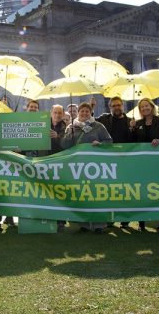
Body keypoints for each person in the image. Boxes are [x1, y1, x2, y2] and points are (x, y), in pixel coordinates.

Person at [61, 102, 112, 233]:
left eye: (87, 111)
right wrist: (69, 133)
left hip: (96, 167)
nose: (84, 113)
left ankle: (99, 225)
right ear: (78, 113)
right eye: (82, 111)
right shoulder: (72, 127)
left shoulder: (98, 126)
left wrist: (100, 143)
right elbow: (64, 145)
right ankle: (83, 223)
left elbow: (109, 141)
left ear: (91, 113)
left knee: (96, 195)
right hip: (78, 167)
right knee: (81, 194)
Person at [95, 96, 133, 229]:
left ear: (122, 106)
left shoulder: (130, 121)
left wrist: (133, 128)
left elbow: (135, 140)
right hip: (108, 161)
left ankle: (125, 220)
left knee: (125, 191)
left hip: (125, 161)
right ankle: (110, 218)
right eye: (114, 105)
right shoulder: (104, 119)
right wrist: (92, 107)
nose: (116, 107)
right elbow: (89, 121)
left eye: (118, 105)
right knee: (109, 191)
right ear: (110, 107)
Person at [132, 98, 159, 231]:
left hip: (158, 162)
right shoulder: (138, 123)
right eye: (142, 107)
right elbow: (132, 142)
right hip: (142, 163)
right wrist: (132, 129)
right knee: (142, 191)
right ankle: (142, 222)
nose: (145, 108)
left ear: (151, 106)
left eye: (146, 106)